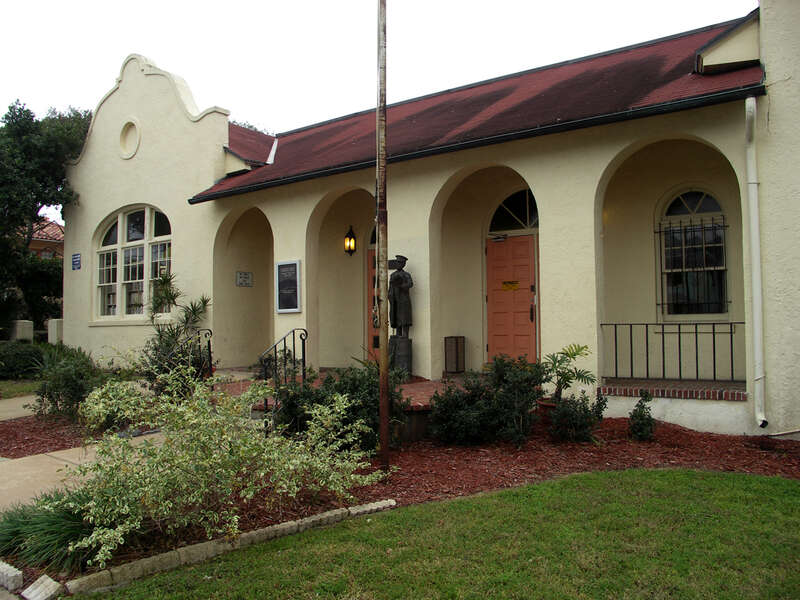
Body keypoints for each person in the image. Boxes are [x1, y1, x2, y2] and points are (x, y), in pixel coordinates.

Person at [389, 255, 413, 337]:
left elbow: (410, 284)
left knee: (404, 318)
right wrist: (390, 296)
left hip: (403, 300)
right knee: (396, 318)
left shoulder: (406, 275)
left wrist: (401, 285)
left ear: (403, 264)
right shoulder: (393, 275)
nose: (398, 264)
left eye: (400, 263)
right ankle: (398, 334)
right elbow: (390, 288)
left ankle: (405, 336)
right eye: (397, 262)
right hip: (395, 300)